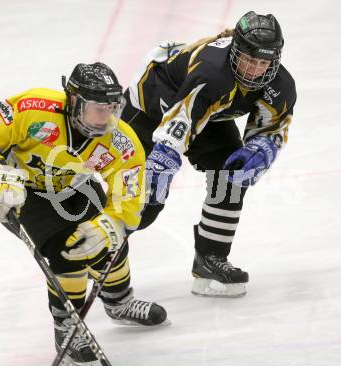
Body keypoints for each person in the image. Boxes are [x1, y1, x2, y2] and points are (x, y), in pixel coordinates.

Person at [0, 62, 167, 364]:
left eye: (112, 107)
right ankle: (67, 327)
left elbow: (130, 190)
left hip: (76, 188)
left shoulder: (120, 139)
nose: (107, 116)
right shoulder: (33, 108)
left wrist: (114, 222)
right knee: (67, 252)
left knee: (110, 246)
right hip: (23, 192)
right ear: (74, 101)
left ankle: (119, 302)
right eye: (99, 108)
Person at [121, 11, 297, 297]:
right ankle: (91, 252)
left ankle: (210, 260)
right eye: (249, 60)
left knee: (232, 175)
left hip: (209, 114)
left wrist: (261, 150)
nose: (254, 70)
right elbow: (181, 121)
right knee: (144, 205)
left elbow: (272, 130)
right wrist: (162, 161)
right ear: (234, 51)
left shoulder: (280, 85)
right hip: (152, 102)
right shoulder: (212, 72)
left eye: (263, 62)